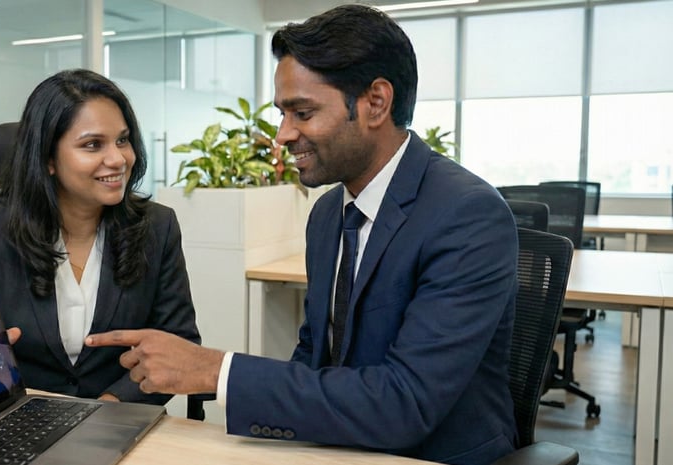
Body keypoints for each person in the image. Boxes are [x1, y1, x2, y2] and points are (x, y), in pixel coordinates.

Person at [85, 5, 519, 465]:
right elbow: (315, 355)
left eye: (303, 112)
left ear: (376, 102)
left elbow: (405, 403)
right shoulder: (330, 212)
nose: (283, 134)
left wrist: (216, 371)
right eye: (282, 113)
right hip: (338, 448)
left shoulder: (467, 214)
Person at [0, 68, 200, 406]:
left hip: (119, 420)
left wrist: (110, 405)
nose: (118, 159)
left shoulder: (157, 226)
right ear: (48, 158)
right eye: (93, 145)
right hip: (18, 418)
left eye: (122, 140)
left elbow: (178, 340)